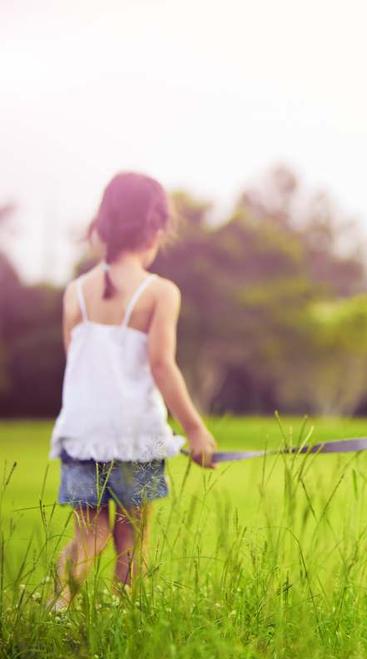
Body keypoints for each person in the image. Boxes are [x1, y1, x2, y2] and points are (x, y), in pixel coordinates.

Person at [49, 172, 217, 609]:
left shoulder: (75, 293)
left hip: (82, 433)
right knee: (132, 538)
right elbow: (162, 365)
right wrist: (195, 430)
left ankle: (58, 609)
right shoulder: (159, 292)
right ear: (156, 230)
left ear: (100, 228)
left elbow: (76, 364)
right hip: (135, 436)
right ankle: (126, 617)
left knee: (90, 534)